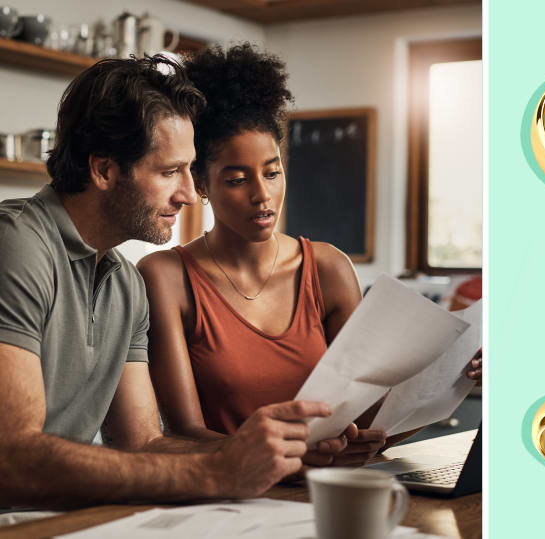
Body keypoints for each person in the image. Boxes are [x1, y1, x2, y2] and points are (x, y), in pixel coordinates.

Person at [0, 55, 348, 509]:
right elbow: (11, 460)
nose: (188, 193)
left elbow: (142, 443)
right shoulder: (17, 245)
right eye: (169, 172)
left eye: (189, 170)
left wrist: (279, 454)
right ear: (104, 170)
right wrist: (218, 469)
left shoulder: (124, 284)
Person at [137, 44, 481, 466]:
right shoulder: (165, 276)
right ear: (202, 184)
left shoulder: (328, 268)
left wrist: (453, 378)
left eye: (272, 172)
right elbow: (185, 433)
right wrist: (292, 456)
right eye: (237, 179)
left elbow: (372, 417)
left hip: (328, 493)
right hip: (229, 501)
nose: (262, 195)